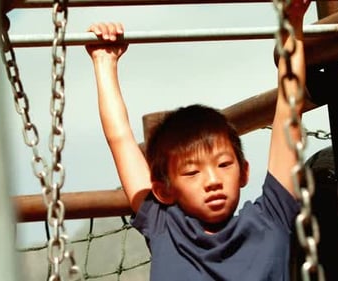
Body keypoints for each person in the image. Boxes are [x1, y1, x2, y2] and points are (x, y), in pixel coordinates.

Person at [85, 1, 310, 280]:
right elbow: (120, 139)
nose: (213, 180)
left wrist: (293, 21)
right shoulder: (164, 225)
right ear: (163, 190)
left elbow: (289, 109)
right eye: (192, 172)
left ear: (244, 172)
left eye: (224, 164)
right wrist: (104, 62)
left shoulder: (271, 218)